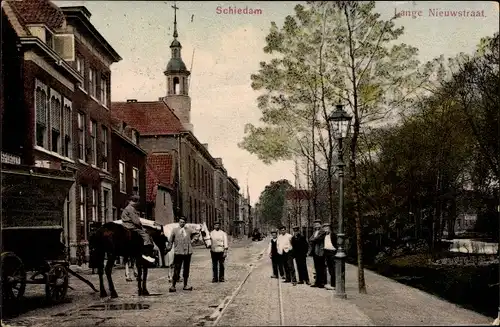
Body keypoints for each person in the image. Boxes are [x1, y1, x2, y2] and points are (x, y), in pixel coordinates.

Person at [121, 195, 155, 263]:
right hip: (131, 226)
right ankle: (146, 253)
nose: (136, 203)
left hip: (124, 225)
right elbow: (136, 221)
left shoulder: (126, 208)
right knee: (146, 235)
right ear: (131, 202)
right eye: (135, 202)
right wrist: (142, 227)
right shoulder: (131, 209)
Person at [168, 216, 195, 292]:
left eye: (183, 222)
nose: (182, 223)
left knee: (186, 269)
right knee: (177, 269)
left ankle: (185, 285)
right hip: (178, 252)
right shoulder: (175, 230)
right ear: (178, 222)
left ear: (185, 223)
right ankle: (173, 286)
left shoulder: (189, 230)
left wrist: (192, 241)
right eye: (181, 222)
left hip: (187, 253)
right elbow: (170, 240)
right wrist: (168, 248)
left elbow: (196, 234)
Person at [308, 219, 327, 288]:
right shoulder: (315, 232)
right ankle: (317, 282)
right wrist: (313, 239)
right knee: (317, 267)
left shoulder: (322, 232)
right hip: (315, 252)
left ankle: (322, 282)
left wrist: (313, 239)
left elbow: (317, 239)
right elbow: (310, 239)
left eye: (318, 224)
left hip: (321, 251)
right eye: (315, 224)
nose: (316, 225)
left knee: (321, 267)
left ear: (320, 225)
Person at [322, 223, 337, 290]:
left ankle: (333, 285)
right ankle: (332, 284)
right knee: (330, 269)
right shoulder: (324, 235)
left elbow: (336, 244)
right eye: (324, 228)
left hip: (332, 252)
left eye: (327, 228)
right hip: (326, 252)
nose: (326, 229)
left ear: (330, 228)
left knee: (333, 269)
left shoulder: (333, 235)